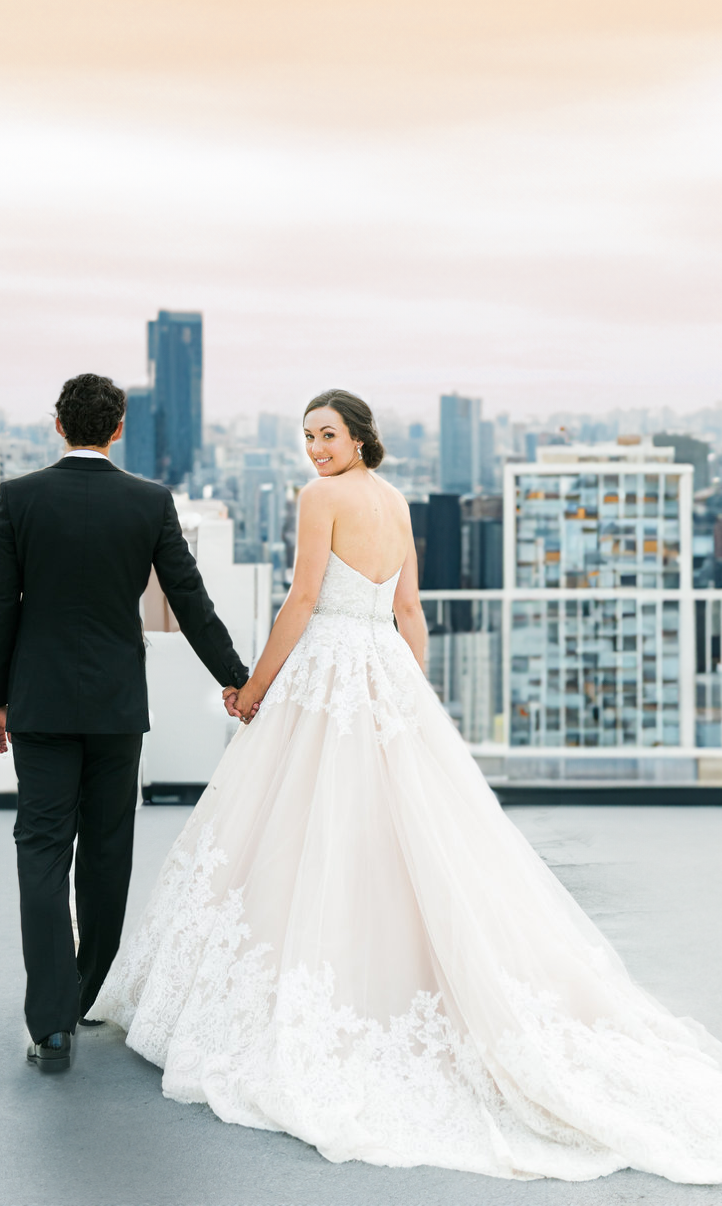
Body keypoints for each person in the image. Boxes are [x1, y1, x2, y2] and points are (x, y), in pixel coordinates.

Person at [91, 388, 722, 1183]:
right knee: (389, 828)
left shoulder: (322, 498)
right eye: (307, 438)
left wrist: (255, 684)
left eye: (327, 434)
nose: (315, 450)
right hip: (383, 671)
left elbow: (305, 597)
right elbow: (410, 608)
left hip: (328, 664)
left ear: (359, 436)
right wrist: (410, 695)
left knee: (294, 822)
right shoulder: (393, 501)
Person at [0, 373, 249, 1070]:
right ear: (117, 427)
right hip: (115, 704)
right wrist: (235, 678)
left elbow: (0, 604)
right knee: (105, 854)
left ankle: (51, 1023)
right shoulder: (148, 501)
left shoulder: (21, 498)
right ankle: (82, 993)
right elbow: (187, 597)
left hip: (38, 701)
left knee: (40, 851)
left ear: (57, 426)